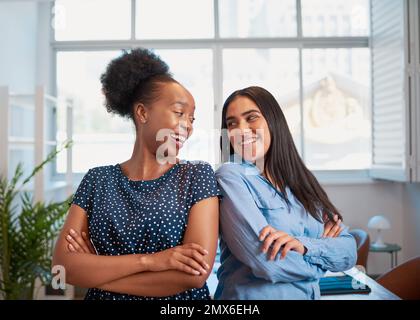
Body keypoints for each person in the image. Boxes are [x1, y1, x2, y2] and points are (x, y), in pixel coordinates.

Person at [52, 48, 220, 300]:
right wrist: (151, 261)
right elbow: (62, 269)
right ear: (142, 113)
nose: (188, 125)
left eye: (192, 118)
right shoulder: (97, 180)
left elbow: (193, 275)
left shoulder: (196, 176)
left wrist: (98, 274)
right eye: (179, 112)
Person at [214, 86, 357, 299]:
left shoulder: (301, 181)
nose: (241, 130)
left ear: (273, 121)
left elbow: (349, 252)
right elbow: (267, 264)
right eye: (232, 123)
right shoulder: (230, 176)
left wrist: (304, 246)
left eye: (251, 118)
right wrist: (322, 264)